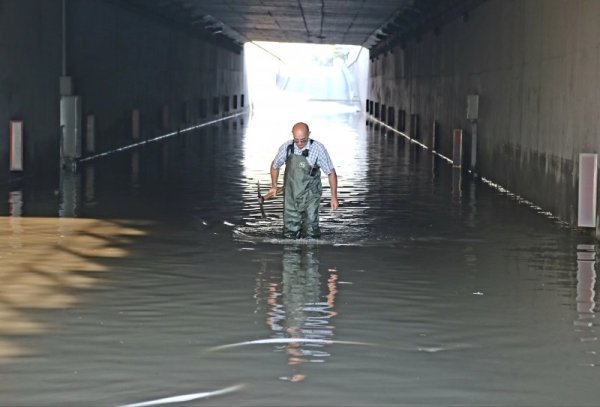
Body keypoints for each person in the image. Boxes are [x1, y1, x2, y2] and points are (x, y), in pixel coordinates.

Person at [268, 122, 338, 239]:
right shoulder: (287, 147)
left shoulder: (318, 148)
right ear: (292, 136)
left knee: (311, 228)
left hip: (310, 196)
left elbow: (331, 173)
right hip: (291, 196)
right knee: (290, 231)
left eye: (303, 140)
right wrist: (274, 185)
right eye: (296, 140)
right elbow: (275, 166)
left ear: (309, 134)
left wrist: (334, 196)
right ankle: (291, 255)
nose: (300, 144)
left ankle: (311, 253)